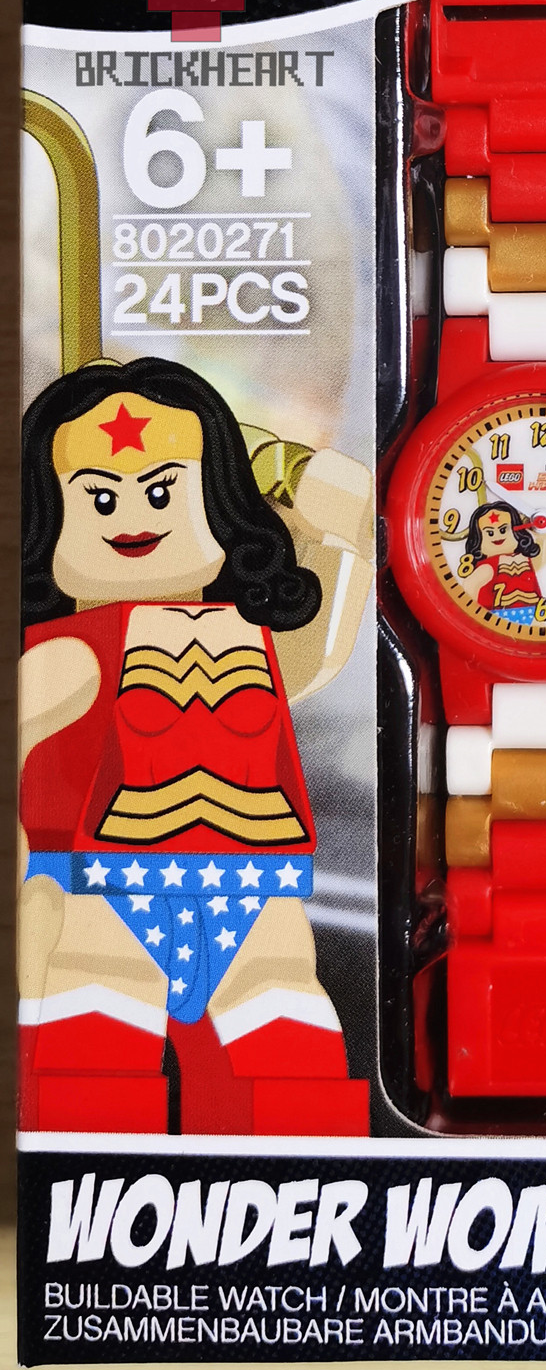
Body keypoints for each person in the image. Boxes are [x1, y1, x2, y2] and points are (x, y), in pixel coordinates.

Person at [19, 357, 374, 1134]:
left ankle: (302, 1198)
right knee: (89, 1099)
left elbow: (354, 541)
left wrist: (287, 469)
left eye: (163, 490)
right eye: (99, 497)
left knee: (294, 1088)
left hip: (258, 913)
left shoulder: (253, 639)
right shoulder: (68, 653)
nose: (132, 516)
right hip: (103, 910)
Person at [459, 500, 545, 624]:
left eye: (503, 530)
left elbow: (540, 564)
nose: (497, 536)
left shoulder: (522, 559)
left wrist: (543, 536)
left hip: (532, 613)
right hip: (497, 616)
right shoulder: (488, 567)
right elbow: (469, 587)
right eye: (489, 533)